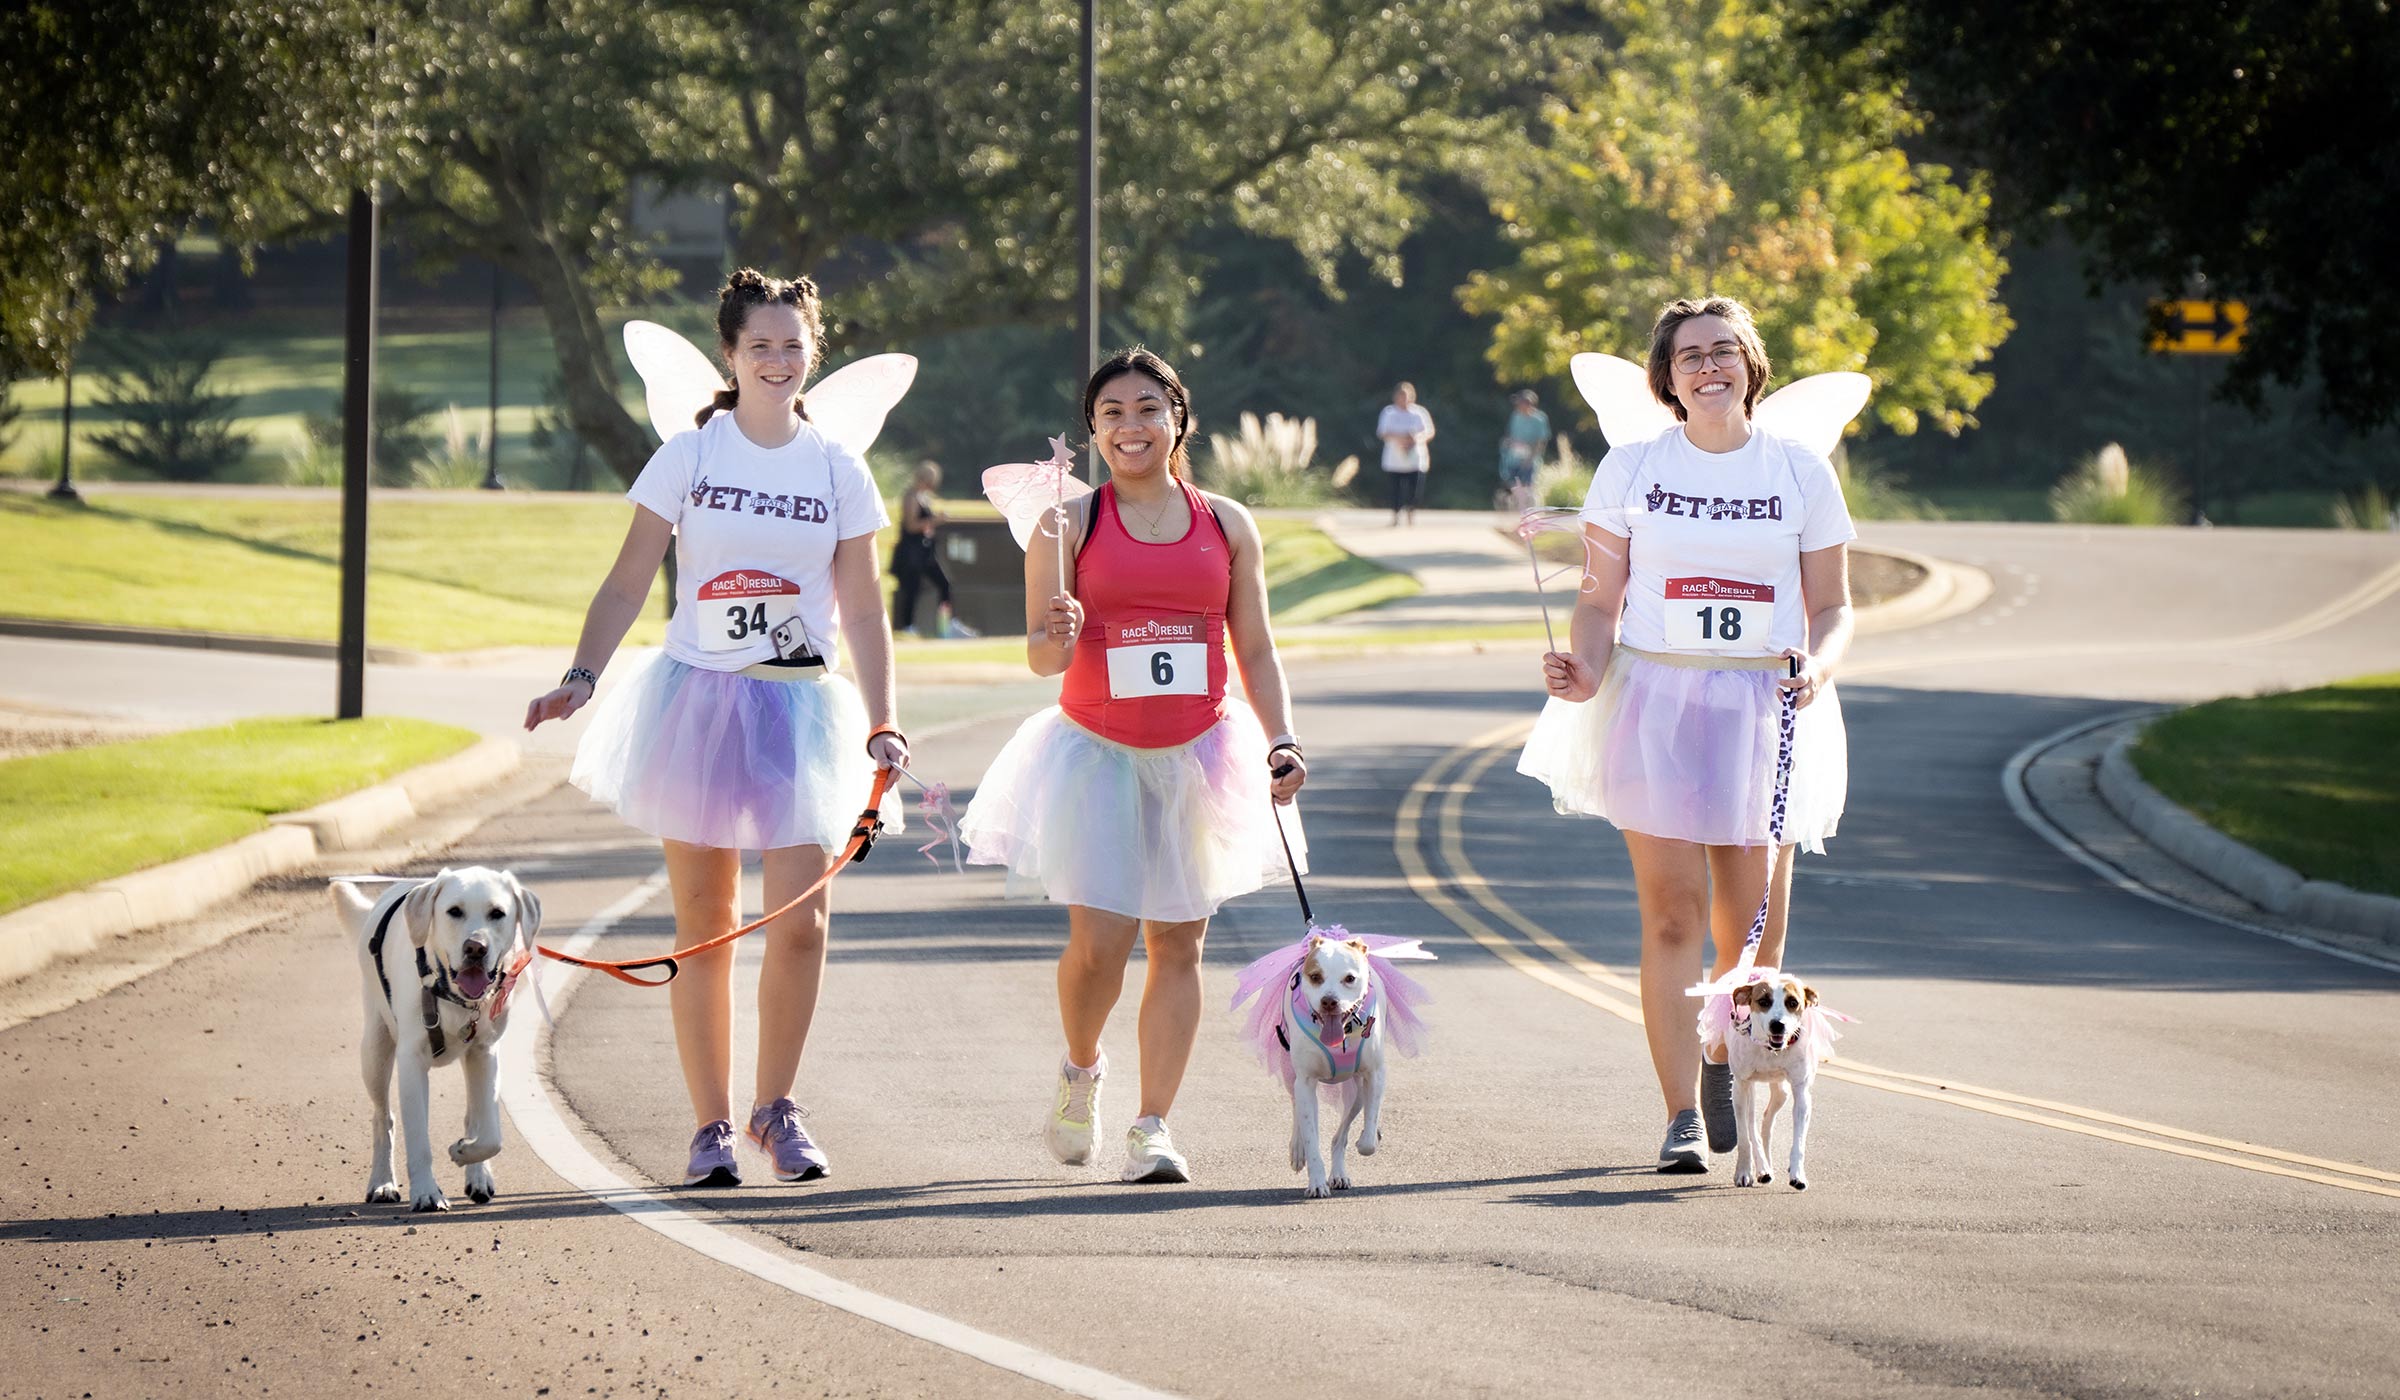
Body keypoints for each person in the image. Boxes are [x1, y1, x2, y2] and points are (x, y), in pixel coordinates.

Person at [524, 268, 908, 1189]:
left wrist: (886, 720)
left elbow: (862, 608)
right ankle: (710, 1128)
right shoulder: (690, 457)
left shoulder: (836, 468)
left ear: (812, 354)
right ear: (730, 358)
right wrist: (580, 676)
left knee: (803, 923)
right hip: (696, 701)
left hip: (805, 709)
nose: (777, 360)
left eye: (792, 345)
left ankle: (777, 1109)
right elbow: (626, 582)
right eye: (759, 346)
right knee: (706, 923)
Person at [1515, 296, 1855, 1174]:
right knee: (1671, 916)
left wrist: (1818, 665)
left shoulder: (1799, 471)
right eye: (1690, 356)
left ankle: (1724, 1061)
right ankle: (1680, 1117)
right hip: (1657, 698)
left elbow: (1833, 606)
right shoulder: (1631, 468)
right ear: (1666, 378)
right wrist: (1582, 670)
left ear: (1751, 365)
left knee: (1751, 936)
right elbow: (1598, 602)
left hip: (1766, 707)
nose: (1709, 367)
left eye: (1723, 352)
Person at [957, 346, 1310, 1184]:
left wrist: (1283, 737)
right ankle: (1082, 1068)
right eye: (1111, 413)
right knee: (1099, 949)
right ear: (1092, 431)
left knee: (1179, 945)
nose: (1131, 426)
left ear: (1178, 419)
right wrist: (1061, 633)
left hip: (1200, 755)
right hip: (1098, 758)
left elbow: (1253, 646)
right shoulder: (1067, 522)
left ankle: (1154, 1125)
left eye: (1148, 408)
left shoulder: (1226, 523)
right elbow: (1041, 660)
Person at [889, 461, 976, 638]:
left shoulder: (924, 497)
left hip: (925, 551)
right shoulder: (911, 496)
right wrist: (935, 520)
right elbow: (911, 525)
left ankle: (948, 623)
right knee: (911, 588)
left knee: (944, 583)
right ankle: (907, 626)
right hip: (911, 551)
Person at [1376, 382, 1436, 525]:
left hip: (1415, 458)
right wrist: (1400, 439)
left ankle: (1411, 512)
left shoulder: (1419, 413)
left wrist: (1416, 439)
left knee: (1414, 490)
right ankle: (1395, 515)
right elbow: (1383, 432)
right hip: (1395, 459)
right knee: (1395, 490)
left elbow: (1429, 431)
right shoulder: (1389, 412)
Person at [1498, 388, 1550, 513]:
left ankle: (1530, 513)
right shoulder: (1516, 416)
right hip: (1513, 457)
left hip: (1529, 458)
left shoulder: (1540, 419)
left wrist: (1530, 458)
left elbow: (1541, 441)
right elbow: (1512, 435)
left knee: (1528, 487)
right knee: (1515, 486)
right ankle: (1519, 513)